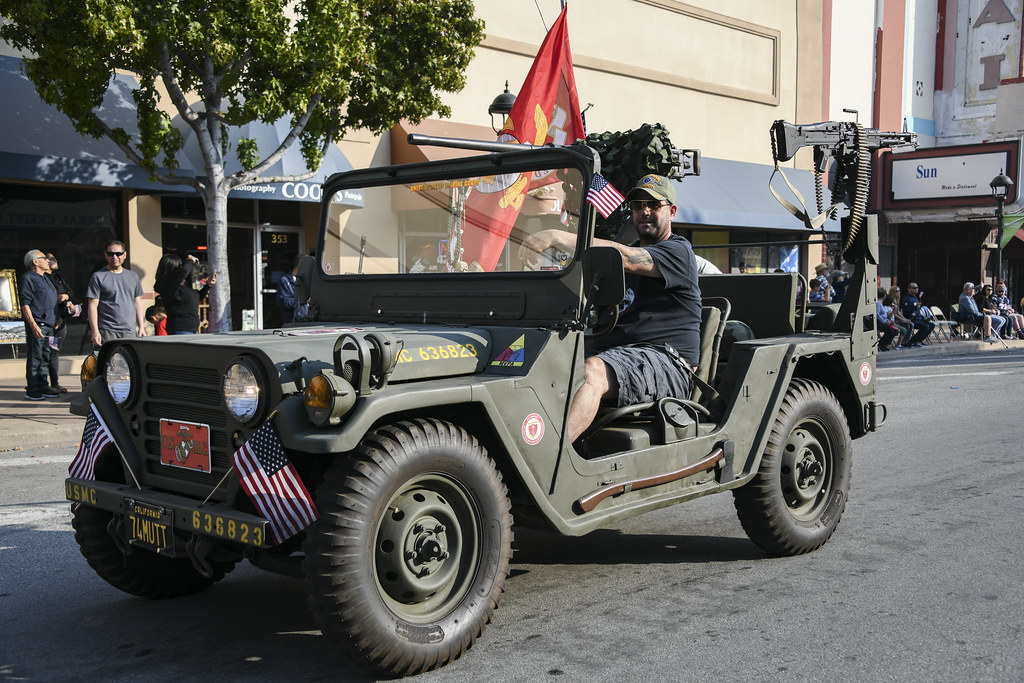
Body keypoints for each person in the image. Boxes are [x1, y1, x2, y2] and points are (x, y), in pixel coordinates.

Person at [519, 174, 702, 443]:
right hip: (619, 353)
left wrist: (559, 236)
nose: (645, 212)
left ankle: (551, 459)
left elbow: (625, 257)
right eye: (638, 206)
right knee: (542, 362)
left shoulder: (678, 251)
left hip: (668, 362)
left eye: (653, 205)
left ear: (672, 211)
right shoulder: (626, 256)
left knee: (593, 370)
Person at [86, 240, 146, 351]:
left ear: (124, 255)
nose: (114, 257)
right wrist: (95, 331)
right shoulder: (98, 276)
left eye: (118, 254)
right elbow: (92, 306)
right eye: (110, 254)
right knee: (108, 364)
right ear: (105, 255)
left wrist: (141, 327)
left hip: (130, 331)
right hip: (107, 330)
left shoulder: (133, 276)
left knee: (128, 364)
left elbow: (137, 303)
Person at [18, 249, 61, 400]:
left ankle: (44, 387)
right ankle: (33, 389)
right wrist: (33, 325)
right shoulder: (28, 278)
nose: (47, 260)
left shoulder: (45, 278)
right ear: (35, 262)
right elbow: (25, 304)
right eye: (44, 258)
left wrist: (58, 317)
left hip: (50, 325)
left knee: (46, 356)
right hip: (39, 324)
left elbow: (51, 301)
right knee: (35, 357)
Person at [154, 252, 215, 334]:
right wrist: (190, 260)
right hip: (179, 328)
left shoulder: (184, 285)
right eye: (179, 266)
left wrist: (208, 285)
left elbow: (197, 298)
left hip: (193, 328)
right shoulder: (166, 284)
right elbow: (184, 271)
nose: (181, 268)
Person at [44, 252, 75, 393]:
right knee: (45, 354)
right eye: (50, 259)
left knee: (54, 352)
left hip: (61, 322)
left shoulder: (58, 277)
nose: (54, 260)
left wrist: (65, 297)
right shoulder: (43, 279)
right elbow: (48, 299)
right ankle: (43, 384)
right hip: (50, 322)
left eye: (55, 257)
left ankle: (55, 383)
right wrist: (60, 298)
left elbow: (70, 292)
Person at [898, 282, 935, 347]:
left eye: (917, 288)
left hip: (918, 319)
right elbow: (905, 311)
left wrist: (923, 318)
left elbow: (917, 312)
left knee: (931, 325)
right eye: (914, 288)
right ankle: (913, 341)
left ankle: (919, 340)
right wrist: (914, 307)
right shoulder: (907, 299)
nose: (916, 289)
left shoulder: (915, 298)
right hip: (911, 319)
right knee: (925, 326)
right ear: (909, 289)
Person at [277, 255, 309, 324]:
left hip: (307, 321)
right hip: (292, 322)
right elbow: (284, 302)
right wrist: (303, 300)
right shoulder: (285, 280)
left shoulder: (307, 280)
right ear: (300, 266)